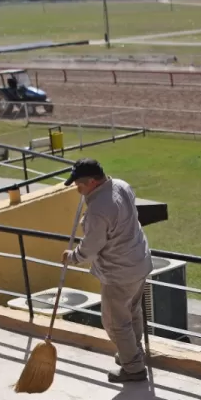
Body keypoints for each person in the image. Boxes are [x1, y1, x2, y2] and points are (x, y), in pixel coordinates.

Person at [61, 159, 153, 383]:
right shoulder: (121, 185)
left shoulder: (98, 210)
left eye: (79, 186)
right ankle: (132, 353)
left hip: (119, 273)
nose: (78, 189)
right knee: (132, 312)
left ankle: (133, 368)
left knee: (114, 322)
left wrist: (72, 257)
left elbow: (91, 249)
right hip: (140, 262)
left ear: (92, 182)